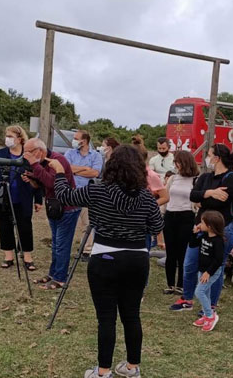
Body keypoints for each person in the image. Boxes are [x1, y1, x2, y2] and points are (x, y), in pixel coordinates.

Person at [48, 145, 163, 378]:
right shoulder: (146, 197)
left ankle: (103, 371)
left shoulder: (99, 191)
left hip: (105, 257)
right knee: (132, 314)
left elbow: (65, 195)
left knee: (106, 318)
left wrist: (60, 172)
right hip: (136, 258)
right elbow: (157, 227)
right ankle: (132, 367)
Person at [169, 144, 233, 313]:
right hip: (200, 227)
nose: (207, 158)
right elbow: (193, 195)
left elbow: (221, 201)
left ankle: (210, 305)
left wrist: (204, 197)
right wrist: (210, 193)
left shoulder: (230, 179)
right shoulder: (205, 177)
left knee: (215, 267)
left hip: (220, 230)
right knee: (189, 263)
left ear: (217, 158)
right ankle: (187, 299)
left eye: (209, 155)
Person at [22, 138, 79, 290]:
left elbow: (52, 183)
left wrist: (34, 165)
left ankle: (60, 278)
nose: (26, 155)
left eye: (29, 152)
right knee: (55, 244)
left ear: (39, 151)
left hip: (67, 208)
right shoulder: (42, 163)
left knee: (62, 245)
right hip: (54, 207)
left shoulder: (58, 161)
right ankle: (53, 274)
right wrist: (32, 178)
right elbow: (42, 184)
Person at [0, 126, 42, 270]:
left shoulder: (28, 156)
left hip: (23, 197)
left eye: (10, 136)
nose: (7, 139)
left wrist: (38, 199)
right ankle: (8, 256)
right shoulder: (1, 153)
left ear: (20, 139)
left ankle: (27, 257)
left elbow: (37, 177)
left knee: (25, 227)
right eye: (6, 136)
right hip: (2, 196)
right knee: (4, 225)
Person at [163, 151, 199, 294]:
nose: (176, 165)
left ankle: (181, 284)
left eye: (178, 162)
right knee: (170, 252)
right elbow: (166, 196)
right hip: (170, 215)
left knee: (183, 252)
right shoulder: (173, 178)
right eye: (175, 162)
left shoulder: (195, 179)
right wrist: (162, 213)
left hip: (186, 216)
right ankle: (170, 284)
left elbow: (197, 199)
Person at [65, 130, 104, 260]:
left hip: (88, 193)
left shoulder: (96, 156)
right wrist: (85, 169)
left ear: (85, 141)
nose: (74, 140)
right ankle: (64, 247)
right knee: (67, 222)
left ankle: (86, 250)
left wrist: (75, 171)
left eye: (76, 138)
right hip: (71, 192)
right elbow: (66, 169)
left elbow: (95, 173)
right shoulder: (70, 153)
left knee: (87, 224)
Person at [192, 210, 226, 332]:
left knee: (199, 292)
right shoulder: (204, 236)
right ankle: (207, 315)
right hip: (202, 270)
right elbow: (192, 244)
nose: (200, 224)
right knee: (205, 292)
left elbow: (218, 260)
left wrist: (208, 272)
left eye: (202, 222)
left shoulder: (218, 241)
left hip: (211, 272)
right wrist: (195, 234)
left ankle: (211, 316)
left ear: (210, 226)